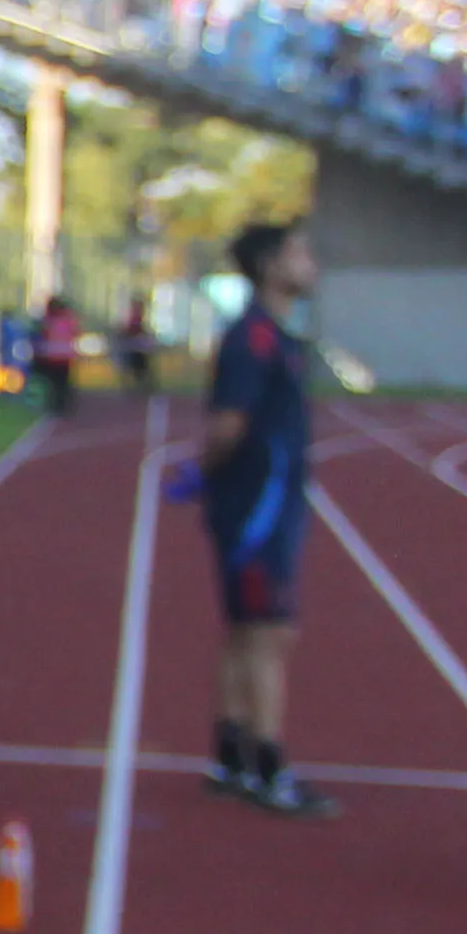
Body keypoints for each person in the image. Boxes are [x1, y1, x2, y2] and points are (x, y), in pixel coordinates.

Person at [199, 222, 336, 818]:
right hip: (257, 511)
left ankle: (231, 753)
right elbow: (228, 424)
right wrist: (207, 471)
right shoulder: (254, 340)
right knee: (269, 634)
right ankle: (269, 769)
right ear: (270, 266)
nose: (311, 262)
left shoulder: (277, 338)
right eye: (300, 252)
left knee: (246, 629)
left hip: (265, 505)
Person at [33, 292, 82, 414]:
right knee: (61, 383)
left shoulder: (49, 319)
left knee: (53, 383)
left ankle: (56, 405)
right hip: (64, 356)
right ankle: (62, 405)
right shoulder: (69, 318)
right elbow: (76, 333)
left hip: (51, 356)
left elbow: (42, 334)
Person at [114, 286, 159, 398]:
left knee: (142, 367)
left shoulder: (141, 317)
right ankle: (128, 388)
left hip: (139, 346)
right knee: (128, 366)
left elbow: (143, 329)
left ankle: (143, 387)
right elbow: (124, 329)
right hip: (130, 344)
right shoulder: (129, 316)